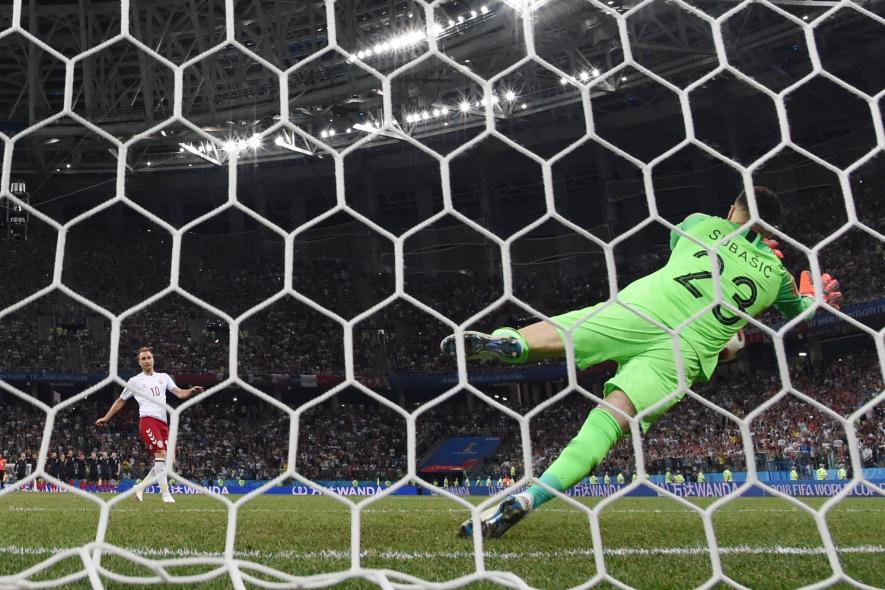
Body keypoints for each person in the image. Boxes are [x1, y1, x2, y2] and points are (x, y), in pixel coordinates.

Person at [443, 188, 843, 539]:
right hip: (682, 351)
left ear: (732, 207)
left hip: (645, 308)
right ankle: (533, 495)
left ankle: (507, 342)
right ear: (773, 230)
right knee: (609, 423)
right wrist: (812, 297)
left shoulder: (701, 224)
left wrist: (739, 240)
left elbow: (687, 245)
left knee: (565, 331)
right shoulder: (777, 277)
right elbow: (800, 314)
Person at [95, 347, 204, 503]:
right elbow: (121, 401)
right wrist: (106, 417)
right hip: (147, 421)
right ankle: (166, 495)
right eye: (143, 359)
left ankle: (140, 488)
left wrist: (191, 391)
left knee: (169, 463)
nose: (147, 360)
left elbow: (180, 393)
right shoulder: (135, 381)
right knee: (160, 454)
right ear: (139, 363)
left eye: (149, 357)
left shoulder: (164, 377)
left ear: (153, 359)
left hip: (163, 424)